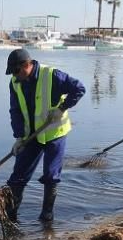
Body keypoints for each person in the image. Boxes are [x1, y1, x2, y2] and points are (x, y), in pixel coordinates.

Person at [5, 48, 85, 222]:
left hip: (54, 133)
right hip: (31, 136)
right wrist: (18, 137)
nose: (15, 76)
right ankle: (10, 219)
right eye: (13, 73)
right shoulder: (15, 82)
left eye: (17, 71)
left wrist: (61, 108)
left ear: (27, 65)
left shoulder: (51, 75)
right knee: (17, 176)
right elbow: (15, 110)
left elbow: (79, 88)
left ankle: (47, 217)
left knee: (50, 176)